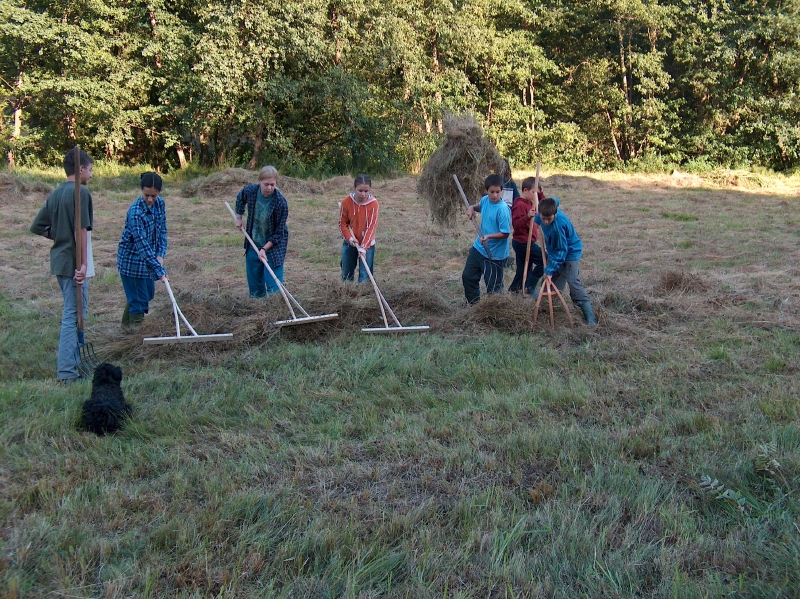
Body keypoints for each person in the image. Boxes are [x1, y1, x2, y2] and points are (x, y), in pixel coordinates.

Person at [30, 148, 95, 382]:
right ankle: (67, 371)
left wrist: (58, 235)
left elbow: (38, 226)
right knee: (73, 313)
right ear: (80, 169)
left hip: (59, 260)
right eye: (90, 169)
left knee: (75, 311)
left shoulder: (55, 193)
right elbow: (82, 232)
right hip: (73, 263)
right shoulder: (81, 193)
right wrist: (84, 265)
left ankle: (73, 362)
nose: (91, 174)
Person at [534, 197, 598, 326]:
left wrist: (551, 269)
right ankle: (551, 308)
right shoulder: (546, 211)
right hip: (555, 251)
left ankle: (590, 318)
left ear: (555, 213)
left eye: (549, 219)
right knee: (549, 281)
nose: (546, 222)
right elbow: (555, 200)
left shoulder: (557, 226)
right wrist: (536, 219)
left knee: (573, 281)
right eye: (543, 218)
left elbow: (562, 252)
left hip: (570, 253)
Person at [117, 172, 168, 328]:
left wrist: (160, 254)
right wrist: (159, 269)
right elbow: (142, 245)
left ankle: (125, 328)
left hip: (149, 260)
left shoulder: (160, 204)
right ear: (141, 191)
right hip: (132, 261)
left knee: (146, 294)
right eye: (147, 195)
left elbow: (162, 231)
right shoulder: (135, 213)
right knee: (139, 302)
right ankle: (134, 338)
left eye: (154, 195)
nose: (150, 199)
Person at [234, 165, 289, 297]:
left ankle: (275, 307)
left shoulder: (281, 203)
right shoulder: (251, 191)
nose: (269, 188)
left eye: (272, 184)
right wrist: (239, 217)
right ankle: (258, 307)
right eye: (266, 184)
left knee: (274, 286)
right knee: (255, 285)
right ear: (259, 181)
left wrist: (264, 249)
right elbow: (240, 198)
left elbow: (278, 233)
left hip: (274, 246)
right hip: (254, 241)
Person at [462, 174, 512, 304]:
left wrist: (489, 236)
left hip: (494, 254)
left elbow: (505, 233)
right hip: (479, 248)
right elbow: (479, 206)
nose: (495, 195)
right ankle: (473, 305)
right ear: (486, 191)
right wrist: (471, 208)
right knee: (468, 277)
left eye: (498, 192)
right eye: (492, 192)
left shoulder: (503, 210)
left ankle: (496, 311)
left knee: (494, 289)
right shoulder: (485, 200)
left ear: (502, 191)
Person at [508, 177, 545, 295]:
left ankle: (514, 291)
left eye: (536, 193)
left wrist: (541, 192)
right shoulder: (519, 204)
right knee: (545, 261)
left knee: (523, 269)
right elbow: (516, 224)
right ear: (525, 190)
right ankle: (530, 286)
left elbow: (544, 204)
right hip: (522, 242)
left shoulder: (531, 201)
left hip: (526, 241)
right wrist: (527, 216)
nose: (536, 195)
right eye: (533, 192)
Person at [339, 174, 379, 282]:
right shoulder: (346, 202)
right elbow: (343, 224)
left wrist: (363, 248)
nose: (363, 194)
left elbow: (371, 227)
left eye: (366, 191)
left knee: (365, 276)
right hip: (350, 243)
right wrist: (350, 239)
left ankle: (363, 296)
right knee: (346, 275)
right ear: (354, 188)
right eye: (360, 190)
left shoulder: (374, 204)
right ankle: (347, 294)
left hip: (367, 244)